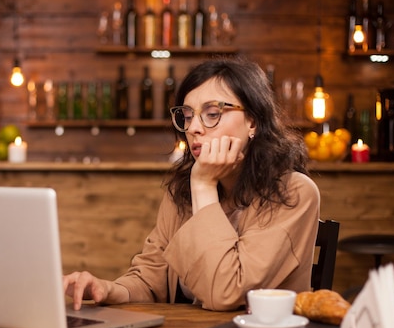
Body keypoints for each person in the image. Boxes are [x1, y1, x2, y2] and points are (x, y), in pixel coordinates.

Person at [64, 56, 320, 311]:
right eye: (187, 116)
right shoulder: (182, 194)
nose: (194, 127)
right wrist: (107, 289)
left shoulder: (294, 192)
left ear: (252, 121)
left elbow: (226, 293)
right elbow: (150, 280)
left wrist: (204, 185)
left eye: (212, 113)